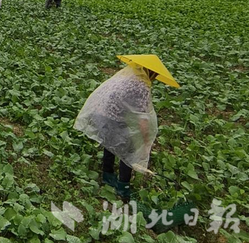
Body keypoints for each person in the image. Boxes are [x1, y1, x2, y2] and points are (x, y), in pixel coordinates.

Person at [74, 54, 180, 200]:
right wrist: (145, 141)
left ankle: (107, 175)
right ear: (151, 72)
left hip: (102, 114)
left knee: (110, 143)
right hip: (113, 117)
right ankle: (123, 187)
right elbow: (143, 119)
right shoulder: (142, 86)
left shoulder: (127, 77)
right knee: (129, 150)